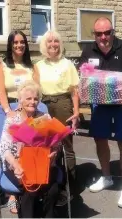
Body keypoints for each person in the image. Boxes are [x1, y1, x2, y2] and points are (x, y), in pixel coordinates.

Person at [0, 80, 60, 218]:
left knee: (53, 190)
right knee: (30, 190)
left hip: (42, 165)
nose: (32, 102)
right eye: (28, 98)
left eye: (35, 98)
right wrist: (16, 166)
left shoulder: (44, 117)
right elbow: (4, 148)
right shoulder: (12, 119)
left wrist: (55, 152)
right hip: (18, 165)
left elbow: (56, 143)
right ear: (20, 100)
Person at [0, 30, 39, 213]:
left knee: (31, 145)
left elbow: (36, 90)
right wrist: (8, 112)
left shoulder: (32, 66)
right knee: (10, 147)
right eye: (15, 42)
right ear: (10, 45)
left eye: (22, 42)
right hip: (9, 110)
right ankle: (12, 193)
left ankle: (35, 178)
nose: (19, 45)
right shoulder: (1, 66)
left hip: (29, 106)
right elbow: (1, 91)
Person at [79, 17, 122, 207]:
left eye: (107, 32)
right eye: (99, 33)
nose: (103, 37)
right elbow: (83, 75)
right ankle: (106, 176)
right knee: (100, 140)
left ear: (113, 31)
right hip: (99, 105)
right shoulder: (88, 50)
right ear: (94, 34)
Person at [35, 30, 80, 206]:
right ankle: (48, 185)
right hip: (44, 105)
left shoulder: (67, 64)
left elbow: (74, 90)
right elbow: (36, 90)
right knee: (45, 146)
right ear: (44, 45)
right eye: (49, 41)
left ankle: (70, 188)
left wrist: (76, 112)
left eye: (56, 41)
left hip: (63, 104)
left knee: (66, 146)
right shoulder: (38, 65)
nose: (53, 44)